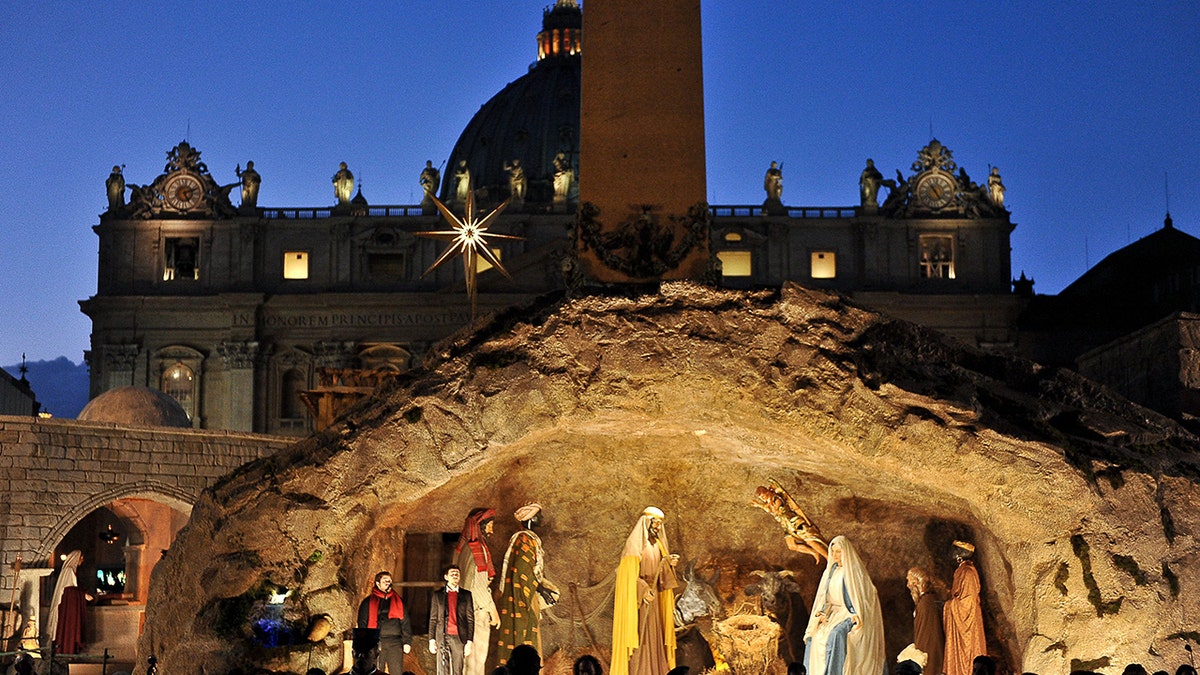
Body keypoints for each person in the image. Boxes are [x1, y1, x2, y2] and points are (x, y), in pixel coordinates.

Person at [801, 536, 885, 675]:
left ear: (845, 552)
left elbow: (868, 596)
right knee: (815, 636)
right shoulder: (831, 571)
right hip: (832, 613)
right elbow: (824, 598)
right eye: (833, 551)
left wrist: (857, 613)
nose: (835, 555)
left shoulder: (854, 573)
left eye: (838, 551)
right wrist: (821, 614)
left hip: (849, 614)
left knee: (835, 635)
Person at [611, 506, 679, 675]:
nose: (658, 526)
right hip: (640, 602)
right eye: (656, 522)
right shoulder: (634, 547)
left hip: (654, 597)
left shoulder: (658, 546)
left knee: (656, 634)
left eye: (660, 523)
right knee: (641, 634)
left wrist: (670, 564)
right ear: (647, 522)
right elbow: (627, 577)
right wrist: (643, 590)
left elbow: (662, 572)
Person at [493, 503, 557, 666]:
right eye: (539, 514)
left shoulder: (529, 538)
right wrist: (541, 588)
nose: (542, 518)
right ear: (532, 517)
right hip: (522, 595)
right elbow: (522, 571)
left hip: (528, 593)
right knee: (523, 631)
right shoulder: (524, 539)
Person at [455, 508, 499, 675]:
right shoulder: (477, 550)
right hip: (477, 611)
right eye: (490, 526)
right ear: (481, 526)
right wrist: (492, 611)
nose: (491, 530)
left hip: (462, 610)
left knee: (466, 659)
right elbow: (479, 587)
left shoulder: (462, 549)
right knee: (477, 660)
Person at [943, 541, 986, 675]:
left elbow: (967, 603)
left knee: (969, 653)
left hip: (968, 621)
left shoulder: (967, 573)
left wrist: (949, 605)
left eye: (954, 550)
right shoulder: (961, 570)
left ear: (959, 555)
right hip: (961, 619)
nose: (951, 553)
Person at [357, 571, 412, 674]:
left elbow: (405, 622)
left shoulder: (398, 601)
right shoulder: (368, 602)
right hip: (375, 642)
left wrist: (407, 641)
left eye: (389, 580)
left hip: (395, 642)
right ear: (378, 584)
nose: (388, 582)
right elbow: (362, 624)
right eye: (385, 580)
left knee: (397, 671)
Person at [430, 565, 475, 675]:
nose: (455, 576)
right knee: (442, 670)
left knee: (457, 669)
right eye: (452, 574)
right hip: (442, 636)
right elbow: (433, 619)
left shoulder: (466, 595)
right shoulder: (438, 595)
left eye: (457, 574)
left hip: (459, 637)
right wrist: (432, 639)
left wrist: (470, 641)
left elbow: (470, 619)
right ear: (446, 577)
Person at [47, 549, 90, 653]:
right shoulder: (68, 570)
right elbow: (69, 591)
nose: (82, 560)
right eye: (81, 558)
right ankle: (66, 650)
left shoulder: (72, 571)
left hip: (71, 607)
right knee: (68, 628)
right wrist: (84, 595)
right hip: (67, 607)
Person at [907, 567, 944, 675]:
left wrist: (923, 656)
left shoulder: (926, 603)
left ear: (917, 581)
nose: (908, 585)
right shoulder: (924, 602)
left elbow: (929, 635)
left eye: (909, 581)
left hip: (930, 654)